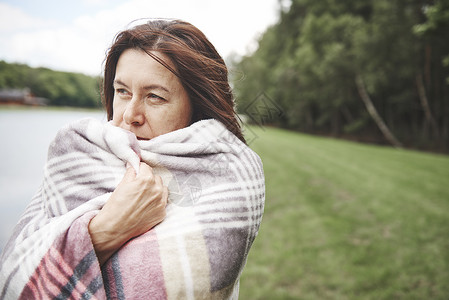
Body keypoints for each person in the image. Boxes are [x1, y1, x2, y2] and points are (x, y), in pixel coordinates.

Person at [0, 19, 265, 299]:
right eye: (123, 91)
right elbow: (14, 271)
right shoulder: (77, 156)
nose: (129, 115)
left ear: (198, 109)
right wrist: (106, 230)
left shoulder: (230, 177)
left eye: (154, 97)